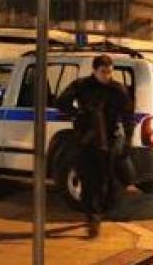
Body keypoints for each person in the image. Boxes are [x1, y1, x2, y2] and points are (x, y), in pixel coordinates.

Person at [56, 55, 134, 238]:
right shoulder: (82, 85)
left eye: (109, 72)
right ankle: (93, 217)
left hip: (110, 139)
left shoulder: (117, 89)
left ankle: (102, 209)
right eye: (103, 72)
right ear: (95, 70)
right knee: (89, 179)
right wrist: (79, 113)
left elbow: (128, 116)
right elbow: (61, 102)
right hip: (87, 139)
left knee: (107, 179)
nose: (107, 76)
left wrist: (128, 141)